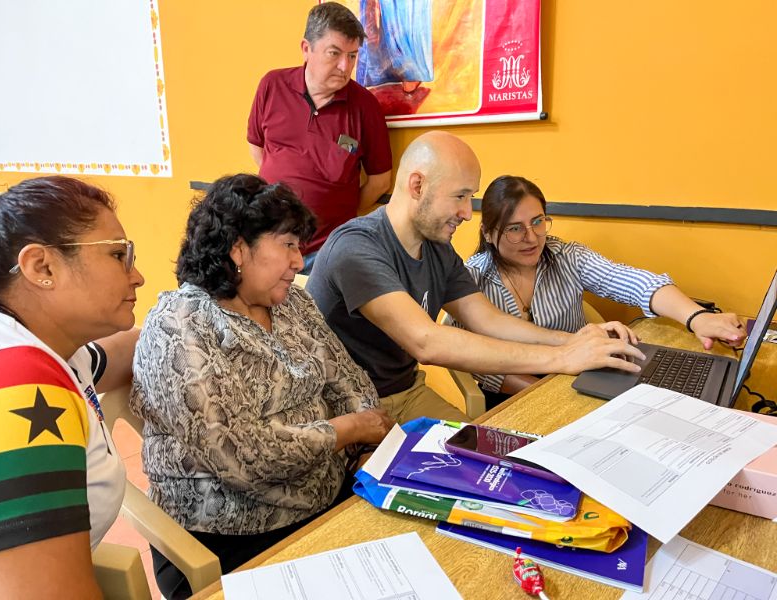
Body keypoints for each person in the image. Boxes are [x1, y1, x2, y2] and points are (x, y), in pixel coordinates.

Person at [131, 174, 393, 599]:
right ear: (238, 248)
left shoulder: (291, 303)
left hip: (328, 500)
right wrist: (351, 430)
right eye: (288, 244)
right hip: (232, 535)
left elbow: (349, 382)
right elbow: (242, 457)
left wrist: (365, 449)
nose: (299, 260)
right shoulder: (182, 324)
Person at [306, 131, 646, 425]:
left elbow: (487, 320)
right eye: (460, 196)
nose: (468, 213)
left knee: (489, 465)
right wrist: (561, 358)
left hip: (407, 394)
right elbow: (427, 342)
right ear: (417, 185)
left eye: (470, 197)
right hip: (342, 409)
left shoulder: (437, 248)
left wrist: (569, 341)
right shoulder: (355, 246)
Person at [0, 176, 145, 598]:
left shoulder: (55, 350)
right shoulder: (15, 381)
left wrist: (188, 322)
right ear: (42, 267)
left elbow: (121, 352)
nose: (138, 276)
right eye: (118, 255)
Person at [452, 175, 746, 408]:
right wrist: (554, 392)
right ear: (488, 233)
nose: (531, 238)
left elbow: (637, 283)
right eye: (515, 229)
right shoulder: (471, 278)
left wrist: (697, 317)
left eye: (538, 222)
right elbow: (480, 365)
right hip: (514, 395)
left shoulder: (567, 256)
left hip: (583, 378)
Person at [247, 1, 392, 273]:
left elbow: (380, 180)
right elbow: (258, 148)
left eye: (352, 56)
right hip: (267, 242)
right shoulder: (272, 85)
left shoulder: (365, 106)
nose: (344, 66)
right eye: (334, 53)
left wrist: (341, 215)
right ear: (306, 49)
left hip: (327, 253)